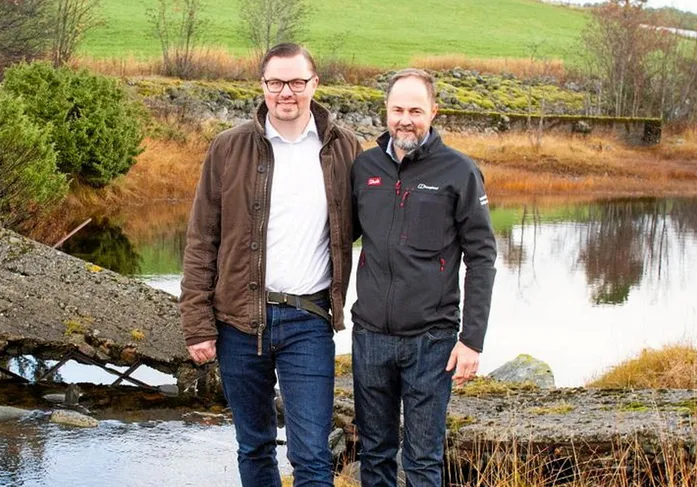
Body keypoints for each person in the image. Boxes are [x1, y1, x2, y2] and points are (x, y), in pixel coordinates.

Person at [179, 43, 362, 487]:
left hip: (309, 319)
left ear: (314, 85)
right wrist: (196, 323)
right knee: (254, 446)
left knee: (313, 456)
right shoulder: (228, 148)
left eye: (297, 82)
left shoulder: (345, 148)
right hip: (239, 323)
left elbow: (366, 225)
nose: (287, 93)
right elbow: (202, 239)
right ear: (262, 86)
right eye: (276, 82)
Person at [350, 68, 497, 487]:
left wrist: (472, 339)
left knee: (422, 459)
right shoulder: (365, 167)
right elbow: (338, 236)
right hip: (371, 336)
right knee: (374, 453)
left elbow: (482, 256)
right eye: (397, 109)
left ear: (433, 111)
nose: (405, 119)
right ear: (386, 111)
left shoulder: (459, 171)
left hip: (431, 342)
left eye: (416, 109)